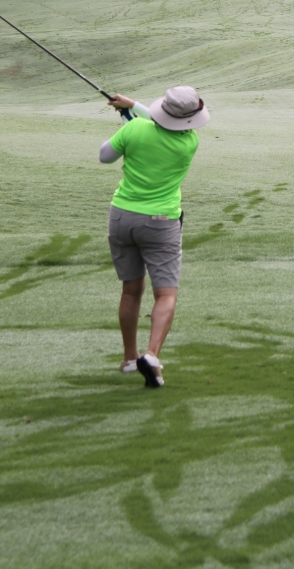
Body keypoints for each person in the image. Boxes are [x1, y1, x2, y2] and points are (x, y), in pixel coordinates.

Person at [99, 85, 210, 387]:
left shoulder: (134, 129)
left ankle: (129, 358)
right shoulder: (190, 142)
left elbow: (105, 156)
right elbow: (160, 124)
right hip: (161, 222)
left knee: (131, 290)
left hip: (122, 217)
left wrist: (128, 123)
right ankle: (152, 355)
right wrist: (133, 107)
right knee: (166, 294)